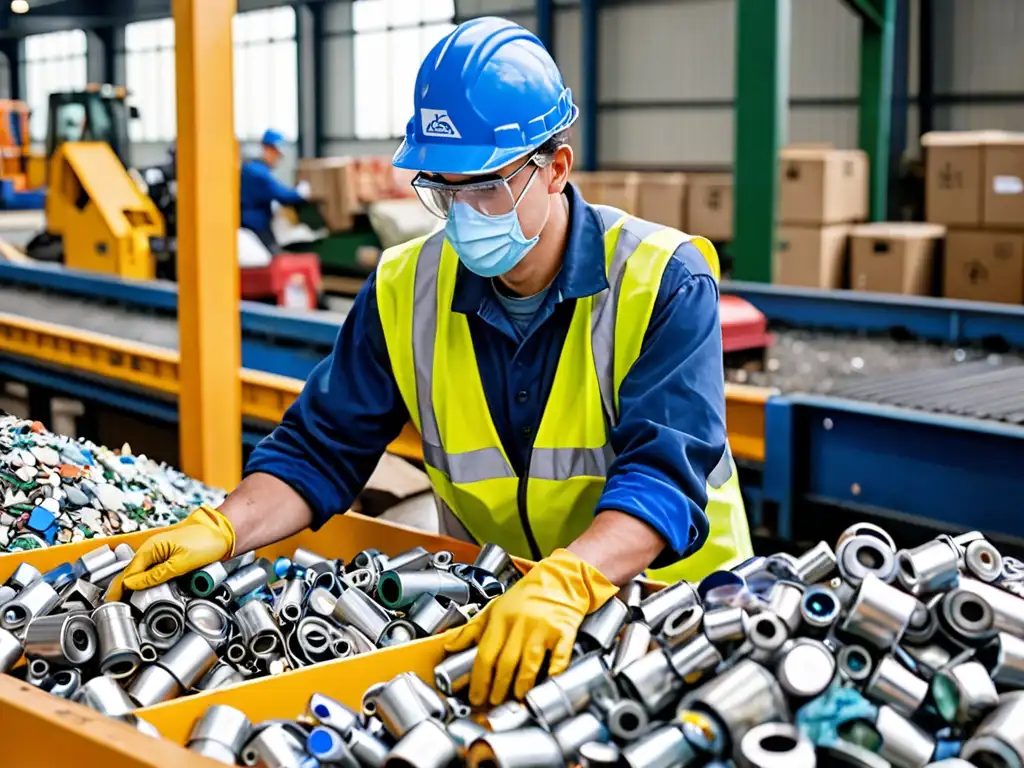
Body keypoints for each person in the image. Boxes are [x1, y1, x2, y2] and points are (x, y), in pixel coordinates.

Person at [108, 17, 752, 708]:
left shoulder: (661, 279)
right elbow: (320, 449)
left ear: (556, 168)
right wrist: (225, 525)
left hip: (681, 612)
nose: (464, 214)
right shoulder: (405, 287)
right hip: (503, 608)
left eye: (485, 187)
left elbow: (664, 472)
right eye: (443, 191)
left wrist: (567, 581)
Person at [240, 128, 307, 252]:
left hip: (255, 223)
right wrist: (300, 193)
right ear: (267, 149)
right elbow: (281, 195)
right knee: (273, 256)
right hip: (254, 226)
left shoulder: (254, 169)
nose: (278, 159)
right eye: (277, 154)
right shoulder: (256, 172)